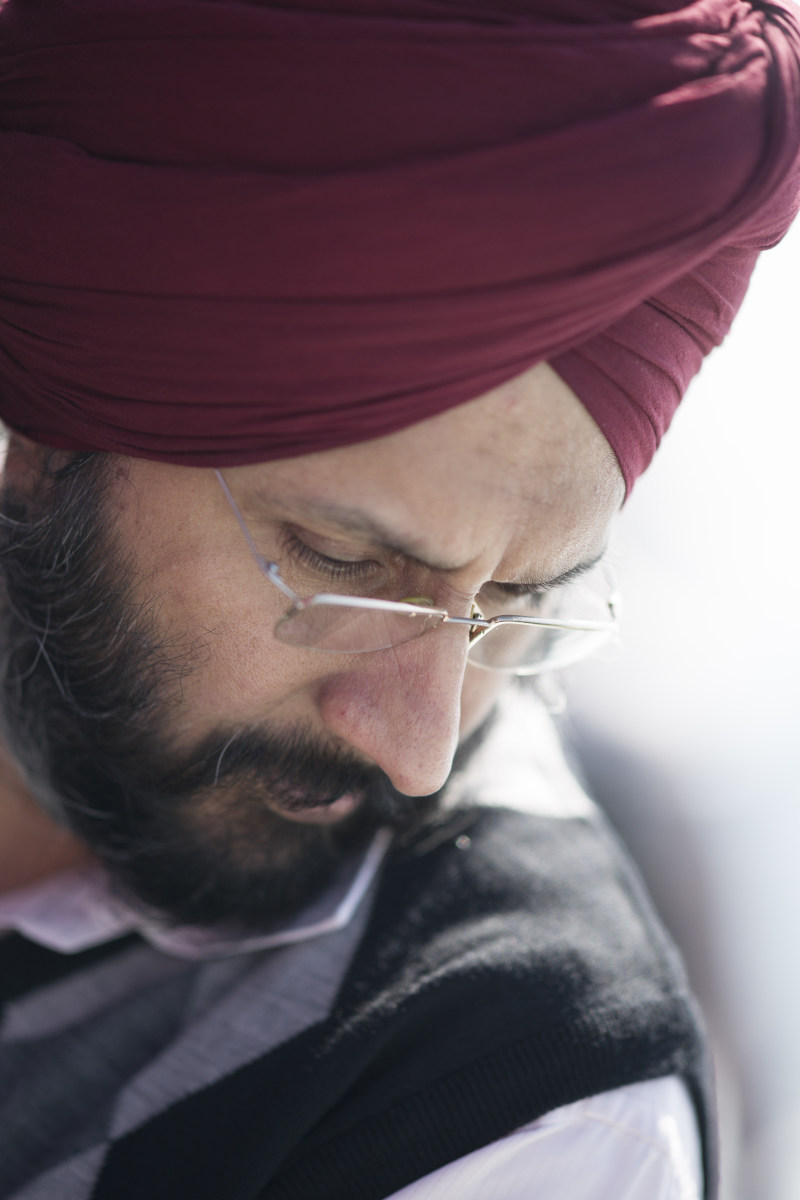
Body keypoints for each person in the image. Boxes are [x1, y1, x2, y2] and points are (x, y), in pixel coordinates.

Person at [0, 1, 798, 1198]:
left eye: (521, 599)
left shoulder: (514, 1108)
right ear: (53, 447)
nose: (419, 749)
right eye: (341, 561)